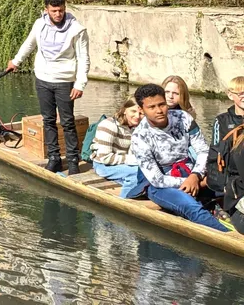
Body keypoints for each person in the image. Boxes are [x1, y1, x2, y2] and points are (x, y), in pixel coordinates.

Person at [6, 0, 90, 174]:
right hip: (43, 79)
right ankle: (54, 157)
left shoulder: (77, 29)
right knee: (48, 120)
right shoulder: (39, 24)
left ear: (65, 9)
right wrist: (16, 61)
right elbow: (29, 44)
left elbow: (84, 58)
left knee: (67, 122)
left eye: (61, 10)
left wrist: (80, 84)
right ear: (47, 10)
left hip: (65, 81)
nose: (58, 14)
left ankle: (73, 160)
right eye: (54, 11)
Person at [129, 83, 228, 231]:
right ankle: (228, 237)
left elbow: (203, 150)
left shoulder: (183, 117)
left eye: (162, 104)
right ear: (141, 109)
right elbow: (157, 179)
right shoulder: (139, 137)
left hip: (191, 173)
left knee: (234, 184)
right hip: (160, 184)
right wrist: (196, 182)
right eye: (152, 107)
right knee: (190, 206)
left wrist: (196, 175)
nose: (159, 110)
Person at [90, 99, 148, 198]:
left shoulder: (139, 127)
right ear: (125, 110)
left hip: (124, 164)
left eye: (141, 113)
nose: (137, 116)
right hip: (103, 165)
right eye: (133, 111)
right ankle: (124, 200)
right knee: (137, 172)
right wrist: (132, 160)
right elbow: (105, 158)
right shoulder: (109, 125)